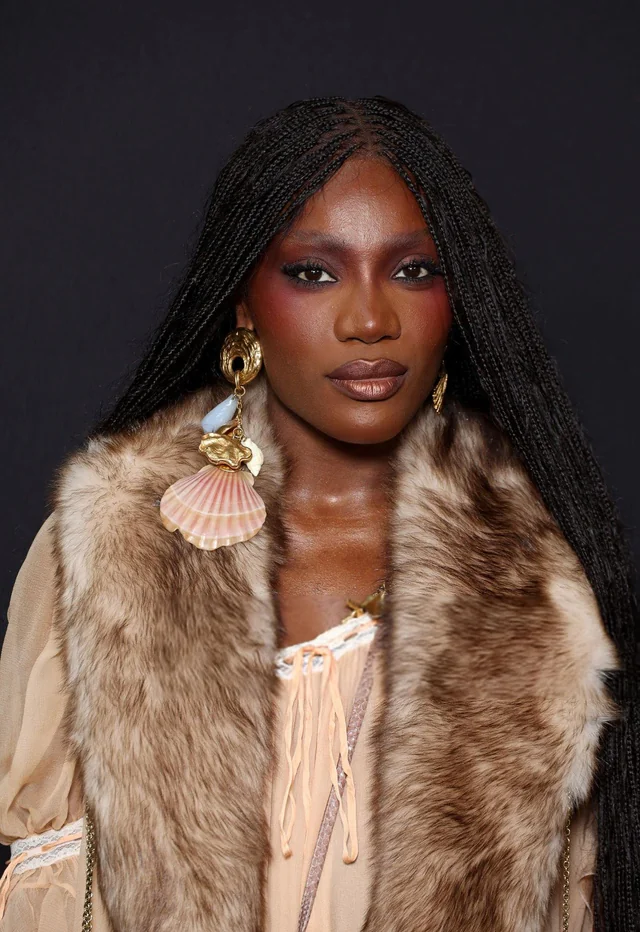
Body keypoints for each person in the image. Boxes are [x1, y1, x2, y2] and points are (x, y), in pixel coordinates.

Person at [0, 95, 637, 932]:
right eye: (313, 272)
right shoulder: (110, 545)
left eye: (415, 271)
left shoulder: (546, 585)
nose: (370, 320)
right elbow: (49, 892)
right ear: (243, 304)